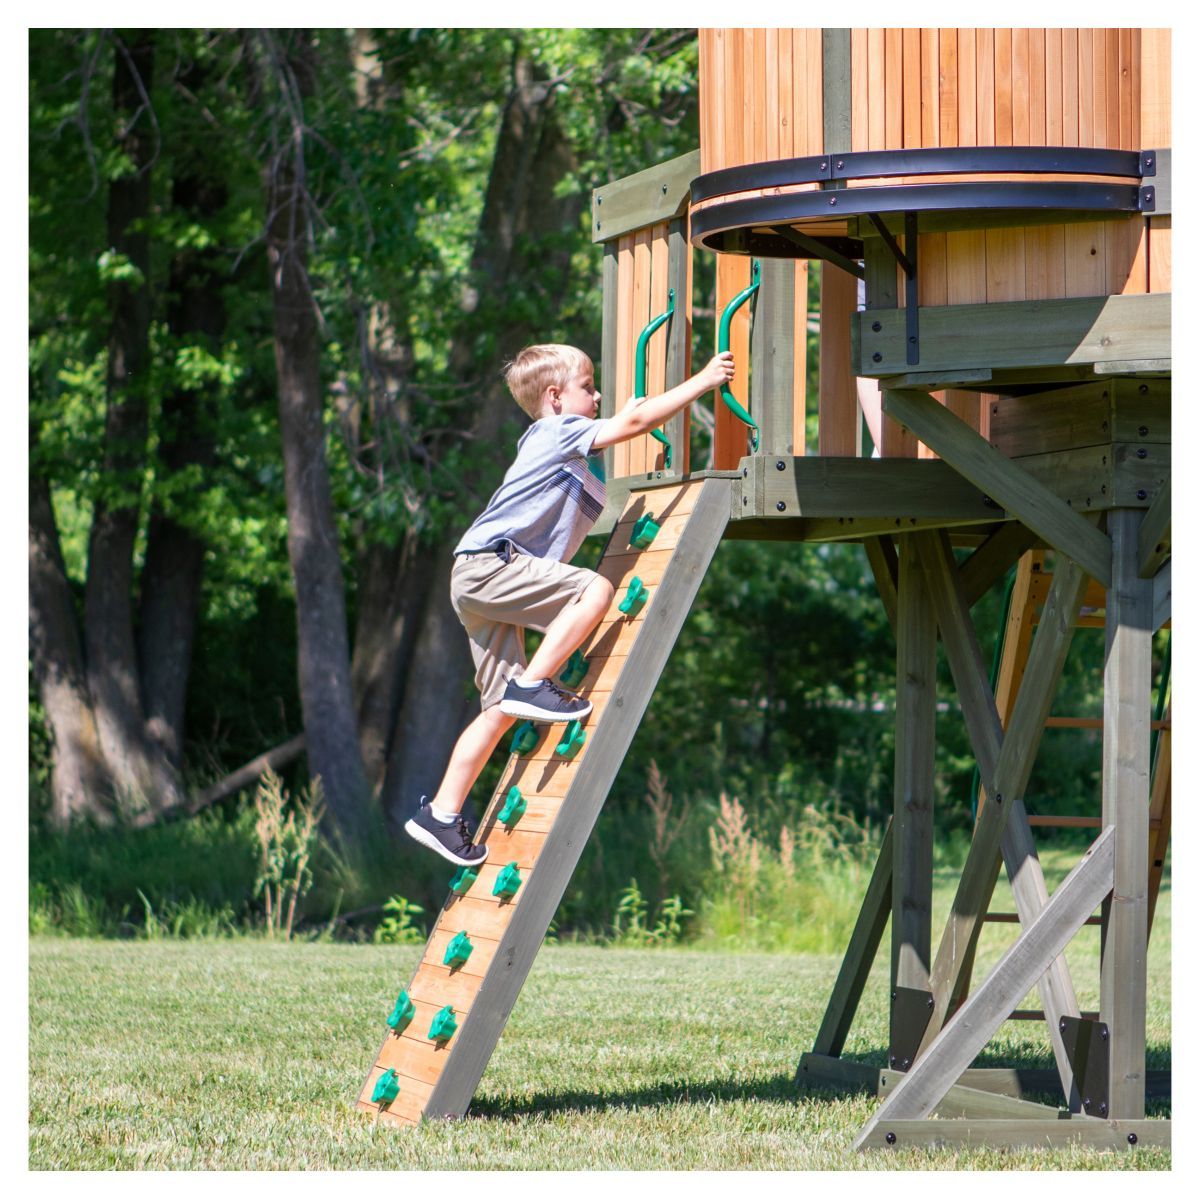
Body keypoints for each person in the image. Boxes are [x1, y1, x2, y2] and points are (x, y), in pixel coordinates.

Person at [404, 342, 736, 865]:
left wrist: (628, 418)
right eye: (588, 387)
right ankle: (532, 685)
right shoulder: (555, 432)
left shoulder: (565, 444)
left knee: (499, 711)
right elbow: (634, 424)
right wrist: (703, 380)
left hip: (478, 576)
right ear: (556, 397)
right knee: (593, 590)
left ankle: (441, 816)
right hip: (492, 566)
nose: (598, 395)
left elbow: (622, 427)